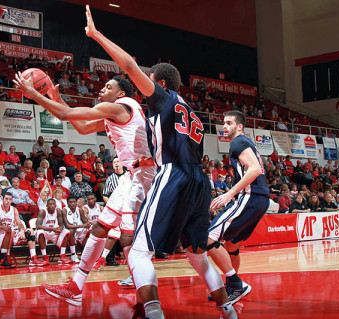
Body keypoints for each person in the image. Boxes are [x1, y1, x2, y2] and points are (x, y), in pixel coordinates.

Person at [76, 7, 235, 317]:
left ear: (159, 82)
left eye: (149, 82)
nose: (145, 86)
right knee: (197, 255)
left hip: (173, 174)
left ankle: (153, 313)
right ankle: (228, 309)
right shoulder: (191, 110)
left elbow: (129, 64)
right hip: (200, 180)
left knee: (138, 252)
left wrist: (96, 35)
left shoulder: (163, 98)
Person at [14, 59, 157, 312]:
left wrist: (34, 94)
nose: (102, 90)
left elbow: (67, 116)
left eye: (108, 87)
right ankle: (76, 287)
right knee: (101, 228)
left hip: (144, 174)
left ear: (121, 93)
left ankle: (147, 301)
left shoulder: (123, 106)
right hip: (130, 176)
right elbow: (80, 127)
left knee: (127, 237)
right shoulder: (114, 112)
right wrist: (56, 98)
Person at [206, 111, 269, 305]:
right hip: (260, 199)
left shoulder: (238, 142)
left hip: (250, 197)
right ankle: (232, 284)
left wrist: (229, 193)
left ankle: (236, 284)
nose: (224, 126)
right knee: (232, 244)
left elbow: (255, 169)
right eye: (223, 123)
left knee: (208, 237)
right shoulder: (245, 142)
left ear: (239, 126)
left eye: (229, 123)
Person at [0, 192, 46, 267]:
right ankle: (6, 257)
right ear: (2, 199)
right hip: (0, 233)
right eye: (6, 199)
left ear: (12, 200)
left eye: (10, 199)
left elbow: (19, 223)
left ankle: (33, 258)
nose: (8, 201)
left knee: (30, 231)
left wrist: (21, 230)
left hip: (11, 232)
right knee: (10, 231)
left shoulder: (14, 210)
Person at [35, 198, 72, 265]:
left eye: (53, 204)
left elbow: (61, 225)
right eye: (50, 204)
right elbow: (38, 226)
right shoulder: (43, 212)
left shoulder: (58, 211)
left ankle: (62, 256)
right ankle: (44, 256)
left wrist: (59, 229)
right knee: (40, 232)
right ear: (47, 205)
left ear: (55, 205)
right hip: (44, 232)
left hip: (53, 232)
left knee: (66, 231)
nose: (52, 206)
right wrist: (52, 229)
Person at [62, 195, 92, 263]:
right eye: (70, 202)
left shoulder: (80, 209)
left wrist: (87, 223)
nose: (72, 203)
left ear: (76, 203)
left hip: (79, 230)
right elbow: (68, 226)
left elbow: (85, 221)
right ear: (67, 203)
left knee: (91, 231)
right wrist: (83, 225)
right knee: (72, 231)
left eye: (74, 202)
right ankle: (73, 254)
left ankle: (87, 254)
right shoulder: (64, 210)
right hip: (69, 232)